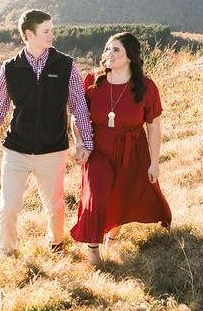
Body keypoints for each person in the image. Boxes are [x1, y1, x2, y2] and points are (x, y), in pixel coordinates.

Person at [0, 10, 93, 258]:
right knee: (8, 207)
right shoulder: (10, 68)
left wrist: (86, 142)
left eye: (52, 30)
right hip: (16, 150)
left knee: (55, 206)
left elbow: (79, 106)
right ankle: (6, 252)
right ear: (29, 34)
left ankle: (56, 244)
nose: (52, 35)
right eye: (46, 31)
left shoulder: (66, 65)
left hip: (53, 150)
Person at [69, 32, 171, 266]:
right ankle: (93, 249)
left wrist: (154, 162)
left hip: (132, 149)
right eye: (107, 49)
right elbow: (77, 116)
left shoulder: (146, 87)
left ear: (130, 56)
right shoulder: (93, 81)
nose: (109, 54)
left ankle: (111, 235)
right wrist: (79, 142)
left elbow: (153, 127)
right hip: (98, 148)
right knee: (96, 195)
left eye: (116, 50)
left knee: (123, 195)